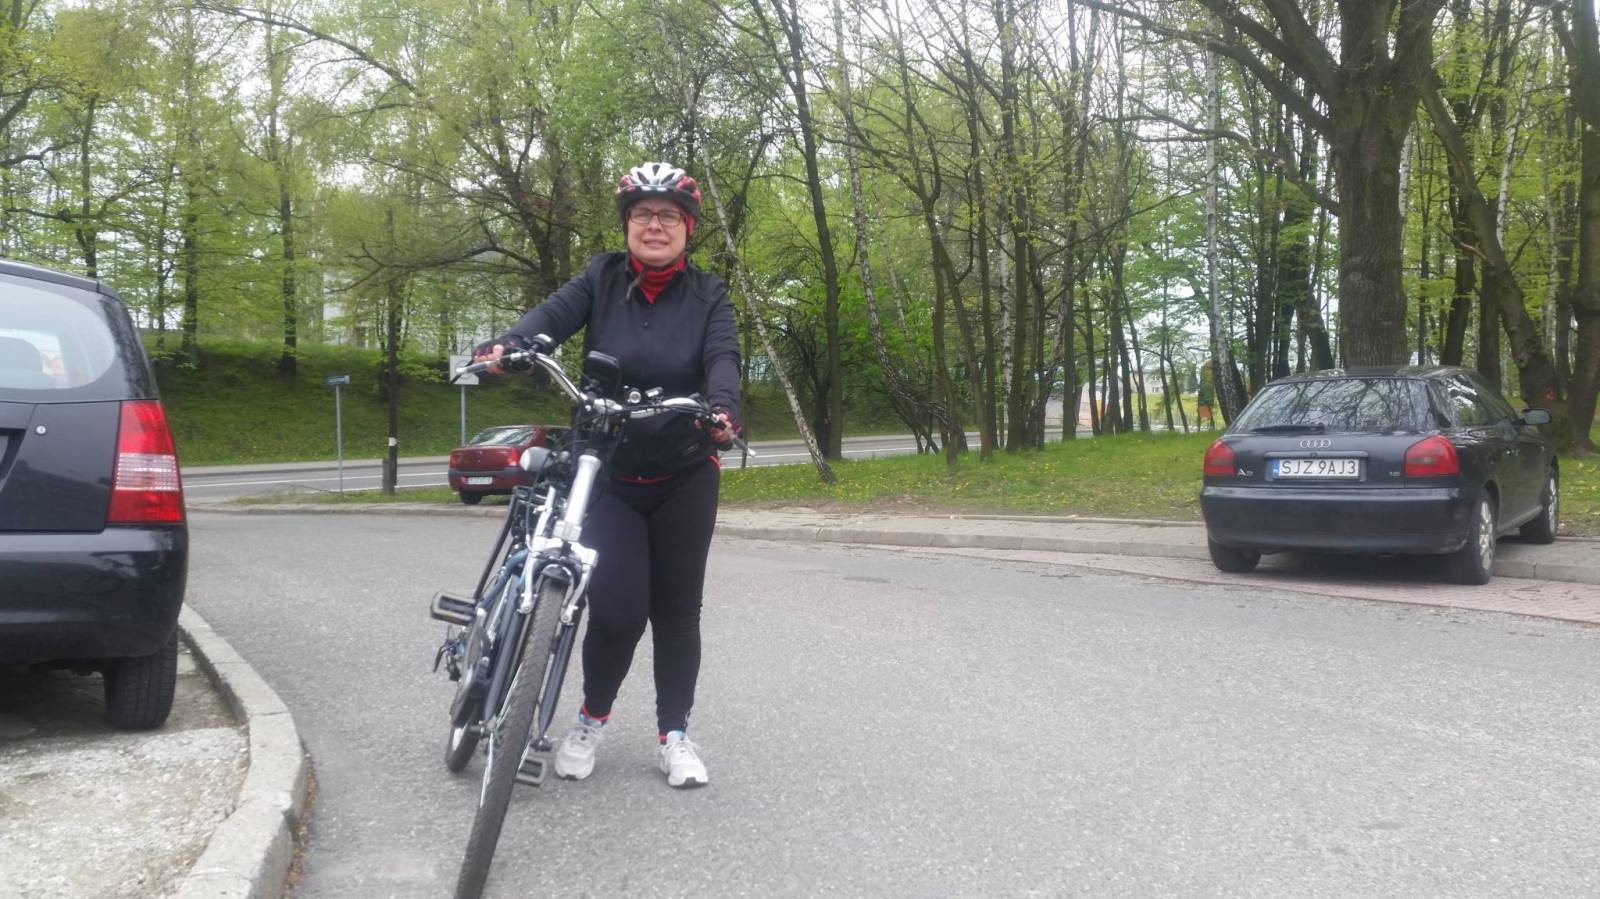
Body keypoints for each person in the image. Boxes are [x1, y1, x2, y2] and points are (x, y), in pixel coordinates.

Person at [472, 162, 740, 789]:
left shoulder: (708, 294)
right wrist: (508, 345)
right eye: (643, 214)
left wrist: (724, 409)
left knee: (678, 612)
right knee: (618, 613)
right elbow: (550, 317)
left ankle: (675, 736)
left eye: (669, 215)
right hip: (608, 473)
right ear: (627, 225)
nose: (655, 225)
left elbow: (723, 358)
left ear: (687, 227)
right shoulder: (600, 276)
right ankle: (591, 719)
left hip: (684, 471)